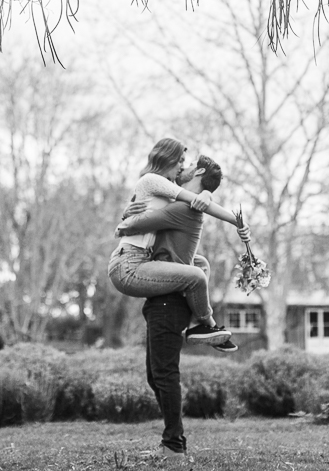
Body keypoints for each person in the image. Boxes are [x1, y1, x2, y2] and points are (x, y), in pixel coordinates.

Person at [119, 154, 250, 459]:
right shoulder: (189, 205)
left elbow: (134, 224)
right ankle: (172, 440)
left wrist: (125, 220)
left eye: (190, 166)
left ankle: (173, 446)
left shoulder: (182, 208)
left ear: (199, 171)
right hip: (166, 296)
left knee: (164, 374)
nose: (184, 168)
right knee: (157, 376)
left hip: (169, 300)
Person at [108, 138, 248, 346]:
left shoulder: (169, 189)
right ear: (168, 158)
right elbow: (193, 199)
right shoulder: (152, 180)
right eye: (181, 161)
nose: (183, 166)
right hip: (128, 263)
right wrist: (235, 221)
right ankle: (207, 323)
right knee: (196, 276)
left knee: (201, 263)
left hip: (145, 258)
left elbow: (195, 197)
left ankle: (194, 323)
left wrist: (207, 193)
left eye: (186, 162)